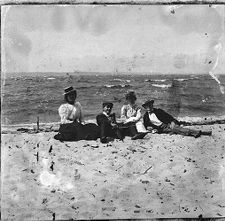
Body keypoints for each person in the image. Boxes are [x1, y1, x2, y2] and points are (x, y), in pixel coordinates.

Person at [142, 99, 212, 138]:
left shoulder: (158, 111)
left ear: (152, 105)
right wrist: (150, 128)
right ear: (145, 108)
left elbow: (169, 117)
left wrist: (172, 122)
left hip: (167, 125)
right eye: (147, 107)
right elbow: (145, 125)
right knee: (179, 130)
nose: (149, 108)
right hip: (161, 129)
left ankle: (198, 132)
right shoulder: (146, 116)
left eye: (150, 106)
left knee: (176, 129)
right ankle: (200, 132)